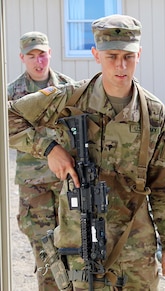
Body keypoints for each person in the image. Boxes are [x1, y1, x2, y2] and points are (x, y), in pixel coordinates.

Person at [8, 14, 165, 290]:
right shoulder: (70, 98)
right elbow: (8, 115)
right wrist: (49, 149)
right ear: (96, 55)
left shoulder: (153, 113)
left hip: (135, 246)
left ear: (139, 54)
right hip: (82, 242)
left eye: (128, 56)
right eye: (111, 55)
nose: (120, 65)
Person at [7, 31, 76, 291]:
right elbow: (10, 135)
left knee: (75, 249)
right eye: (32, 56)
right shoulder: (12, 94)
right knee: (45, 254)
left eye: (42, 54)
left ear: (50, 54)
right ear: (22, 58)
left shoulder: (68, 88)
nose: (38, 61)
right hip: (34, 187)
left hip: (65, 184)